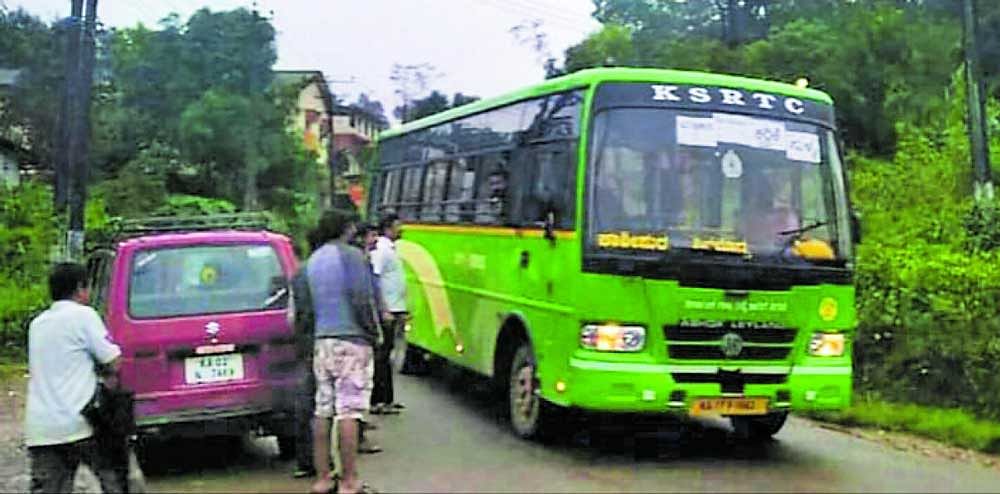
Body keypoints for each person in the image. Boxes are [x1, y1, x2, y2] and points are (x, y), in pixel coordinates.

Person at [25, 263, 124, 493]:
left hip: (42, 427)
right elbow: (113, 360)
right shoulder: (84, 316)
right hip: (83, 422)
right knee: (116, 480)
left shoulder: (37, 325)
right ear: (81, 288)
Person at [307, 210, 380, 494]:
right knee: (349, 410)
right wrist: (374, 333)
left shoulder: (314, 260)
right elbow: (363, 299)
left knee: (323, 409)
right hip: (351, 341)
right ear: (347, 229)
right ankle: (350, 481)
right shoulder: (351, 256)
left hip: (322, 340)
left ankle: (323, 478)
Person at [369, 214, 407, 415]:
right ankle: (378, 400)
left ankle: (387, 399)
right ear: (388, 228)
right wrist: (384, 308)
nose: (401, 229)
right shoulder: (382, 251)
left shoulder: (390, 249)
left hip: (393, 309)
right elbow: (375, 279)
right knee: (382, 356)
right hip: (387, 311)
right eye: (397, 226)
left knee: (387, 355)